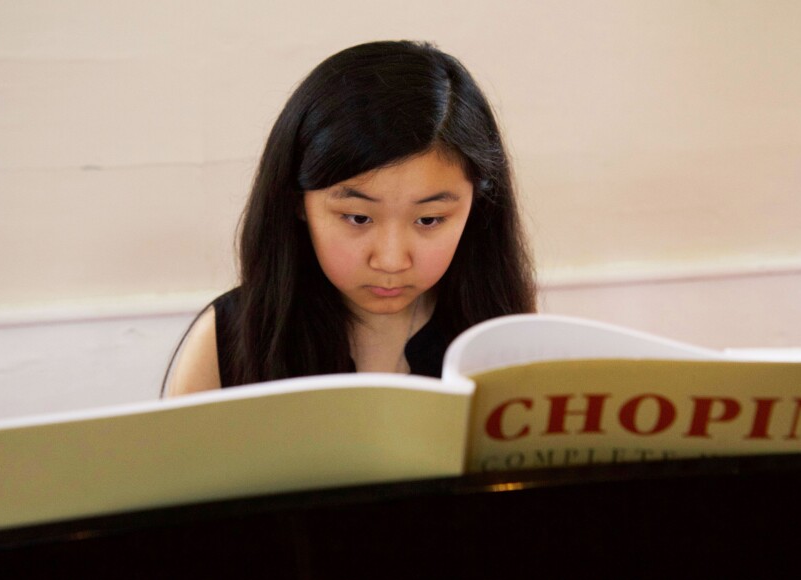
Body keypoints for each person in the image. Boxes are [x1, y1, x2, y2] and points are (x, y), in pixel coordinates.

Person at [164, 40, 536, 397]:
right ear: (298, 202)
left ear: (478, 206)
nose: (391, 260)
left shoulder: (509, 338)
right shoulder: (228, 339)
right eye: (358, 218)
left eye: (429, 220)